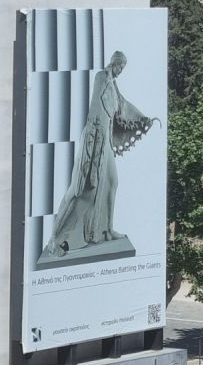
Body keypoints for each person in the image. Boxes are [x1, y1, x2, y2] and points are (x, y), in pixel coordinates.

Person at [37, 51, 158, 264]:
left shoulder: (113, 86)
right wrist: (94, 144)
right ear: (114, 63)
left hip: (106, 143)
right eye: (120, 66)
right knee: (81, 190)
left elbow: (123, 106)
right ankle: (56, 239)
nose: (121, 71)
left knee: (112, 183)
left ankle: (107, 230)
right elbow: (95, 112)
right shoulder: (102, 78)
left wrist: (143, 118)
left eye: (124, 68)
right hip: (94, 141)